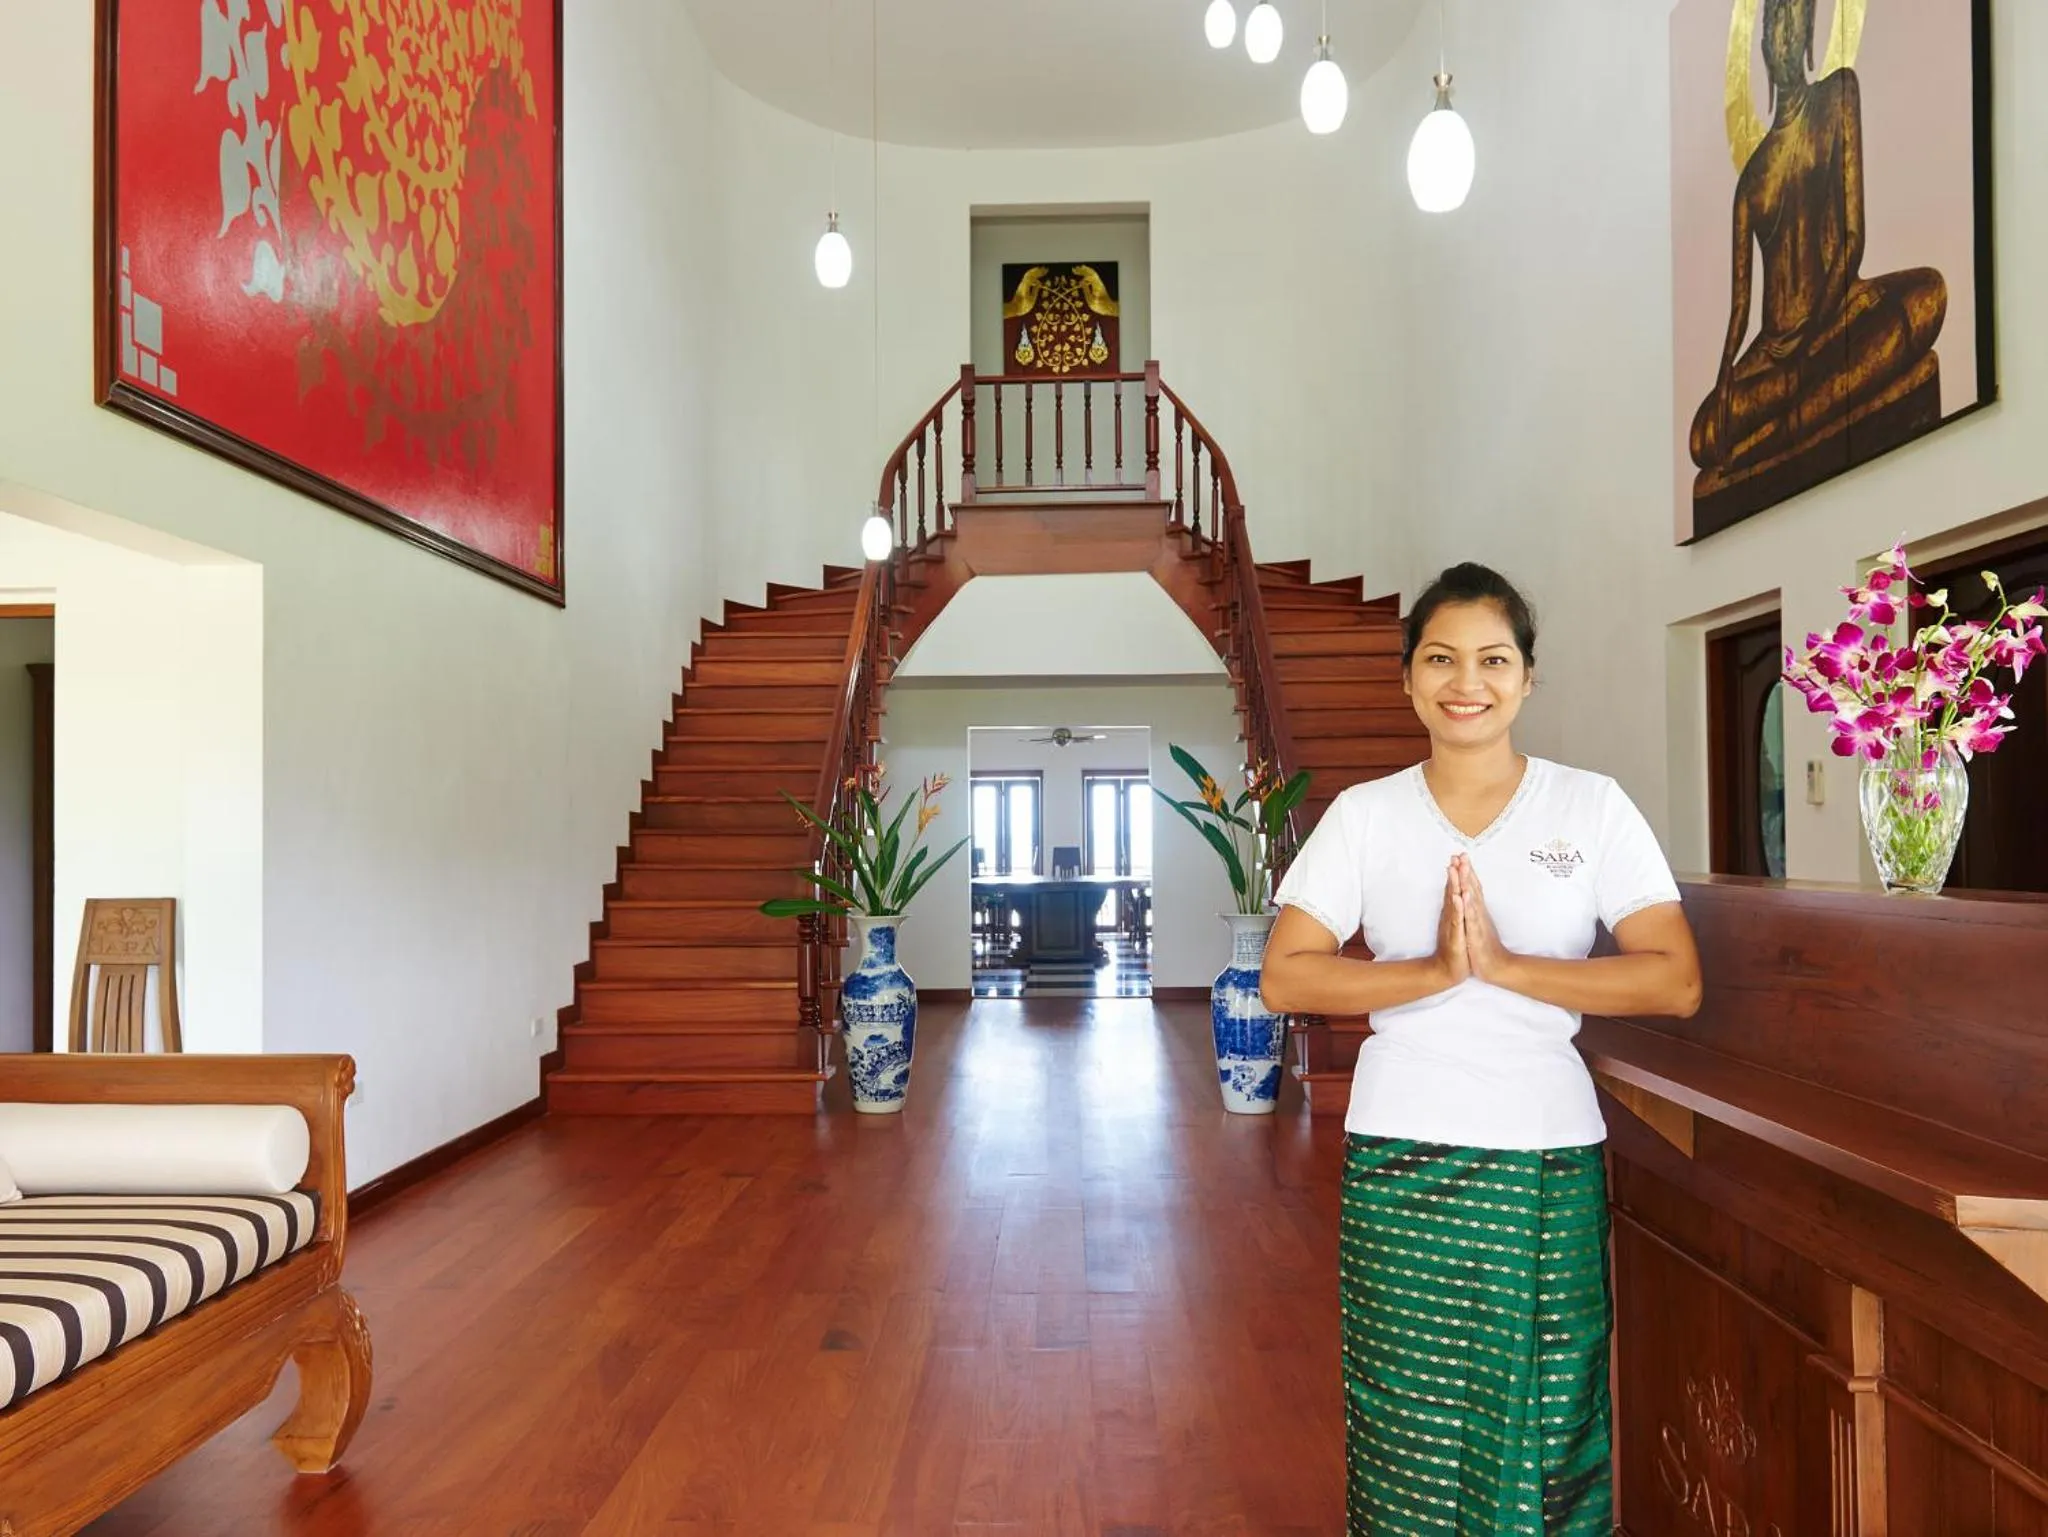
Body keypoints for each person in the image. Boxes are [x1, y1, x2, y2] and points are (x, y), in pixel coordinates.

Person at [1260, 562, 1702, 1536]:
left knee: (1547, 1419)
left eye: (1492, 659)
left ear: (1526, 678)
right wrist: (1425, 973)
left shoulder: (1588, 808)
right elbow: (1286, 975)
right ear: (1407, 679)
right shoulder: (1364, 816)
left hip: (1542, 1158)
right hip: (1398, 1155)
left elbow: (1670, 978)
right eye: (1441, 658)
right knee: (1408, 1419)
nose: (1468, 681)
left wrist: (1502, 965)